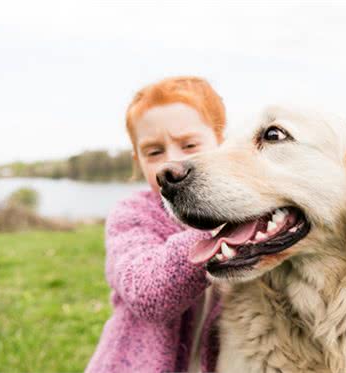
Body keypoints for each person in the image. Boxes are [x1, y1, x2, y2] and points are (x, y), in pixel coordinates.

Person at [85, 76, 225, 373]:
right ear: (138, 160)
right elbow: (149, 294)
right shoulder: (132, 214)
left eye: (189, 145)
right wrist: (218, 229)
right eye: (154, 152)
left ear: (222, 143)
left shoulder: (249, 213)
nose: (171, 162)